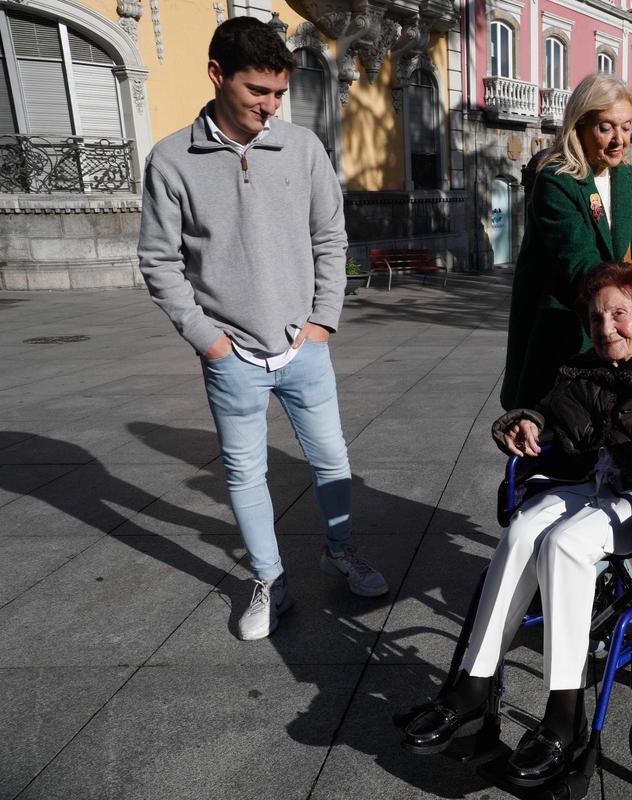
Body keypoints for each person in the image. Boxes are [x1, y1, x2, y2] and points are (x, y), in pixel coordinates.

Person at [399, 263, 632, 786]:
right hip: (587, 481)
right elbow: (550, 413)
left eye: (619, 314)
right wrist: (526, 423)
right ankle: (472, 688)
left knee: (565, 544)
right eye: (595, 318)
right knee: (523, 528)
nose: (606, 327)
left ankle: (564, 717)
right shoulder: (582, 367)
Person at [137, 17, 387, 641]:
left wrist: (323, 321)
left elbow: (331, 238)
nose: (270, 107)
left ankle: (341, 549)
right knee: (244, 473)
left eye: (278, 94)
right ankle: (269, 582)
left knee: (331, 458)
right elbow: (158, 260)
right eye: (257, 92)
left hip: (303, 346)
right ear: (218, 76)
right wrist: (209, 340)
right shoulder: (171, 159)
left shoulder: (302, 148)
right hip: (231, 354)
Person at [501, 73, 632, 411]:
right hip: (566, 328)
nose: (619, 140)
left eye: (626, 127)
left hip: (613, 320)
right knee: (560, 426)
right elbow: (585, 268)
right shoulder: (556, 181)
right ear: (580, 125)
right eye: (606, 127)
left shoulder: (626, 179)